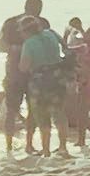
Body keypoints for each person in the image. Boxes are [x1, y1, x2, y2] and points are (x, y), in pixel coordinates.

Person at [0, 0, 45, 154]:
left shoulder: (43, 23)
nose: (35, 14)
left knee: (33, 109)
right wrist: (17, 48)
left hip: (34, 73)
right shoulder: (11, 23)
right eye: (34, 10)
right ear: (26, 8)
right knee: (12, 109)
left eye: (37, 11)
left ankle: (28, 144)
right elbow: (0, 45)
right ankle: (10, 145)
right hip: (16, 72)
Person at [18, 15, 72, 156]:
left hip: (40, 81)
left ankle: (46, 149)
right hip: (58, 77)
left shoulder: (29, 43)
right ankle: (62, 147)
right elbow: (65, 46)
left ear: (26, 31)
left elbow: (24, 67)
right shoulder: (51, 34)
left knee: (42, 116)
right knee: (59, 114)